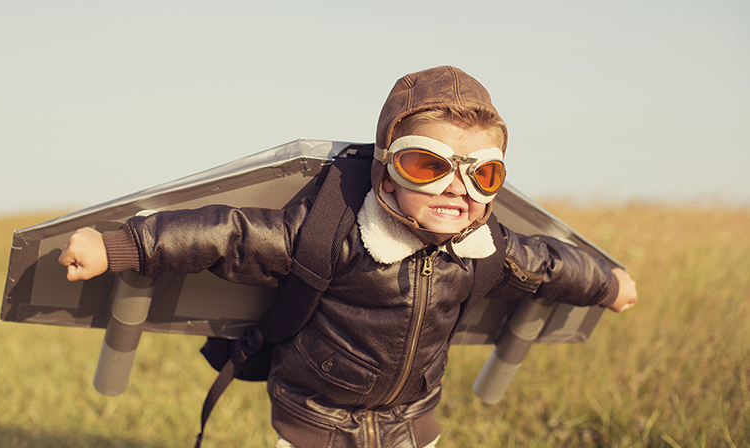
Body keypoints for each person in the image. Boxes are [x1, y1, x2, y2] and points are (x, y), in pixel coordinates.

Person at [59, 66, 638, 448]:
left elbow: (548, 266)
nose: (456, 188)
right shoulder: (329, 235)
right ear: (386, 171)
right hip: (316, 416)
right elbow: (225, 234)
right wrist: (119, 245)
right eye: (428, 166)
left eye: (483, 174)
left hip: (412, 420)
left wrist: (607, 283)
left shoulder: (485, 251)